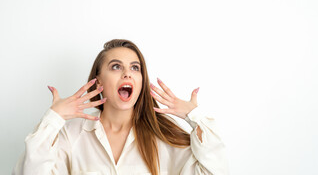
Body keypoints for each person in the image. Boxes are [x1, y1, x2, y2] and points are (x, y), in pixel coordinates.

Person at [12, 39, 229, 175]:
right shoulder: (71, 136)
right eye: (116, 67)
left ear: (141, 80)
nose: (127, 73)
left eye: (135, 68)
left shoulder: (164, 137)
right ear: (99, 82)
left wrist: (194, 117)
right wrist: (54, 119)